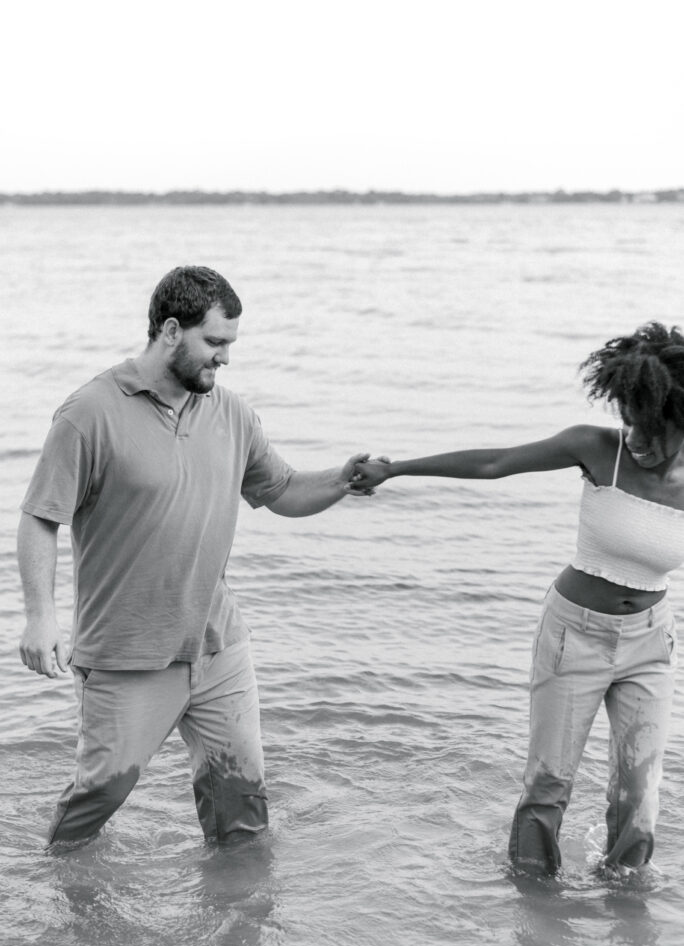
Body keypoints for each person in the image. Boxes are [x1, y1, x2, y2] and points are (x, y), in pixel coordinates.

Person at [18, 265, 371, 847]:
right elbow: (39, 517)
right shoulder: (88, 413)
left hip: (218, 646)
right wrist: (40, 616)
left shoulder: (231, 413)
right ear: (171, 330)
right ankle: (55, 898)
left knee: (242, 807)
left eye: (230, 344)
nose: (225, 358)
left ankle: (235, 925)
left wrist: (342, 480)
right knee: (96, 803)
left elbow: (281, 490)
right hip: (126, 653)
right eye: (215, 343)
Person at [351, 322, 684, 877]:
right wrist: (396, 468)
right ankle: (534, 912)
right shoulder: (597, 449)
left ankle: (628, 920)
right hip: (572, 634)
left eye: (649, 427)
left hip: (651, 642)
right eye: (626, 421)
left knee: (639, 798)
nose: (635, 438)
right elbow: (495, 462)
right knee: (549, 782)